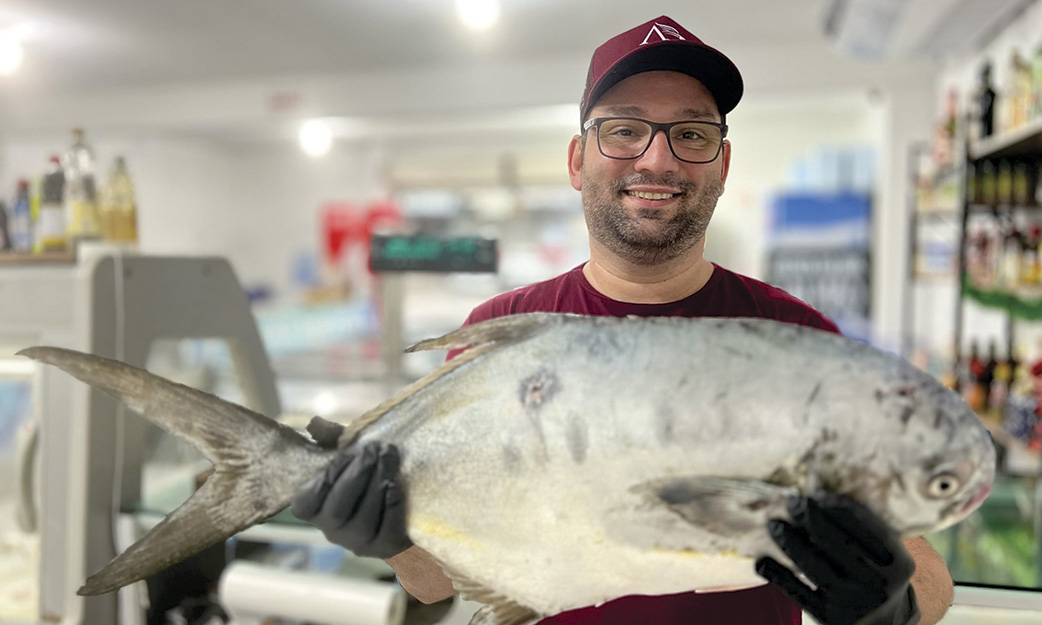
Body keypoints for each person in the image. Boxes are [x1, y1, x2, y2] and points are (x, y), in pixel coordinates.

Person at [292, 15, 954, 625]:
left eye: (691, 134)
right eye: (624, 129)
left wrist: (891, 607)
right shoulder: (505, 328)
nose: (657, 160)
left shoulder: (797, 340)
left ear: (723, 165)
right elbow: (438, 580)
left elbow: (928, 574)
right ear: (577, 160)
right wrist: (389, 538)